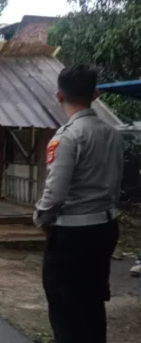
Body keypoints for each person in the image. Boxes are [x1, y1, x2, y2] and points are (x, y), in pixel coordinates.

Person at [34, 65, 123, 343]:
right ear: (95, 95)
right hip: (105, 228)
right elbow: (116, 183)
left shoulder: (67, 136)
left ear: (59, 96)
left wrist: (40, 219)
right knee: (92, 303)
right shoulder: (113, 134)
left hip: (72, 236)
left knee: (66, 308)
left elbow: (55, 194)